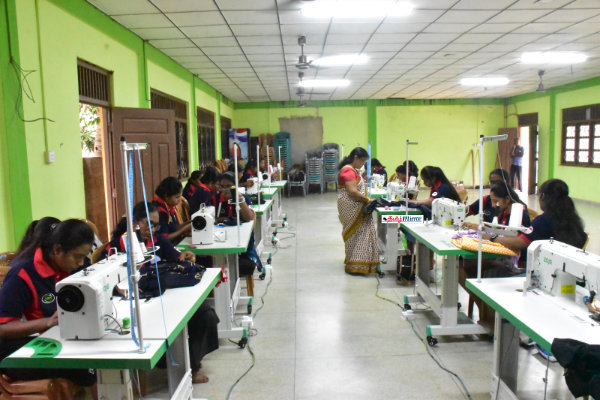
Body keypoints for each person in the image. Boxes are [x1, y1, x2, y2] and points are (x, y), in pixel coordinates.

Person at [104, 202, 218, 384]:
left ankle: (192, 363)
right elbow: (106, 279)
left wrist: (186, 256)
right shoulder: (117, 246)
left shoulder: (158, 241)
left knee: (205, 314)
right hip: (136, 303)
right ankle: (178, 361)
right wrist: (120, 288)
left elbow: (177, 257)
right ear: (134, 222)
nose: (151, 229)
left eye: (155, 225)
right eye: (147, 224)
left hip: (164, 296)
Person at [0, 219, 96, 386]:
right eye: (77, 257)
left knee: (94, 359)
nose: (81, 263)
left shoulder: (73, 267)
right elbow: (3, 328)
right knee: (89, 367)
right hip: (24, 351)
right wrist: (47, 322)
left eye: (84, 257)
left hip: (57, 340)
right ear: (57, 250)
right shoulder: (22, 275)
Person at [337, 147, 379, 275]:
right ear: (356, 158)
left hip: (353, 206)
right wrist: (368, 200)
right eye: (362, 161)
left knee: (357, 234)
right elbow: (353, 192)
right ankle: (356, 264)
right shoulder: (348, 171)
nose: (363, 164)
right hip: (352, 206)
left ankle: (356, 261)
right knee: (359, 234)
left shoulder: (351, 170)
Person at [216, 172, 263, 276]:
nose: (225, 189)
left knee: (243, 266)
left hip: (241, 248)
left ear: (235, 186)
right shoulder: (216, 200)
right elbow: (212, 219)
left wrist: (238, 199)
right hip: (220, 240)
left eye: (229, 186)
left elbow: (249, 218)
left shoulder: (243, 198)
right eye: (222, 186)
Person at [153, 177, 191, 243]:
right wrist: (184, 229)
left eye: (180, 196)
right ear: (166, 196)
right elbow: (165, 238)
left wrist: (186, 224)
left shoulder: (169, 207)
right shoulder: (160, 212)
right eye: (177, 197)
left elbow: (172, 228)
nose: (180, 200)